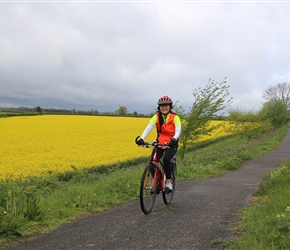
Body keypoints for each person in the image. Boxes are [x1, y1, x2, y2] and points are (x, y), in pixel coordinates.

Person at [136, 95, 182, 191]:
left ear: (170, 107)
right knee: (153, 161)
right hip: (160, 143)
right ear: (159, 107)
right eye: (162, 106)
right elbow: (149, 127)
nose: (164, 108)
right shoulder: (156, 117)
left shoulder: (175, 117)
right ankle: (157, 181)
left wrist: (174, 139)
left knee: (166, 159)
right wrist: (142, 138)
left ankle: (168, 181)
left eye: (166, 105)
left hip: (171, 144)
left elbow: (178, 130)